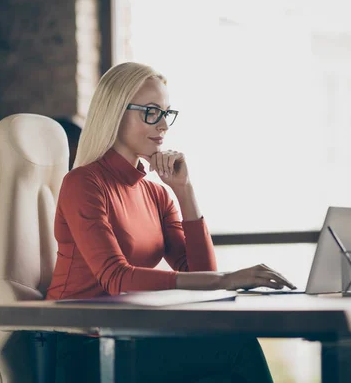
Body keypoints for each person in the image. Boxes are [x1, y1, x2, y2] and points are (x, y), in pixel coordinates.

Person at [46, 62, 296, 383]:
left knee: (224, 362)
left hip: (131, 340)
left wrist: (184, 191)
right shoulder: (83, 183)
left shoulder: (156, 193)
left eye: (166, 113)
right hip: (84, 349)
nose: (163, 124)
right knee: (235, 349)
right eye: (151, 112)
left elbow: (199, 275)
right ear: (115, 113)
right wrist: (226, 279)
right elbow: (115, 278)